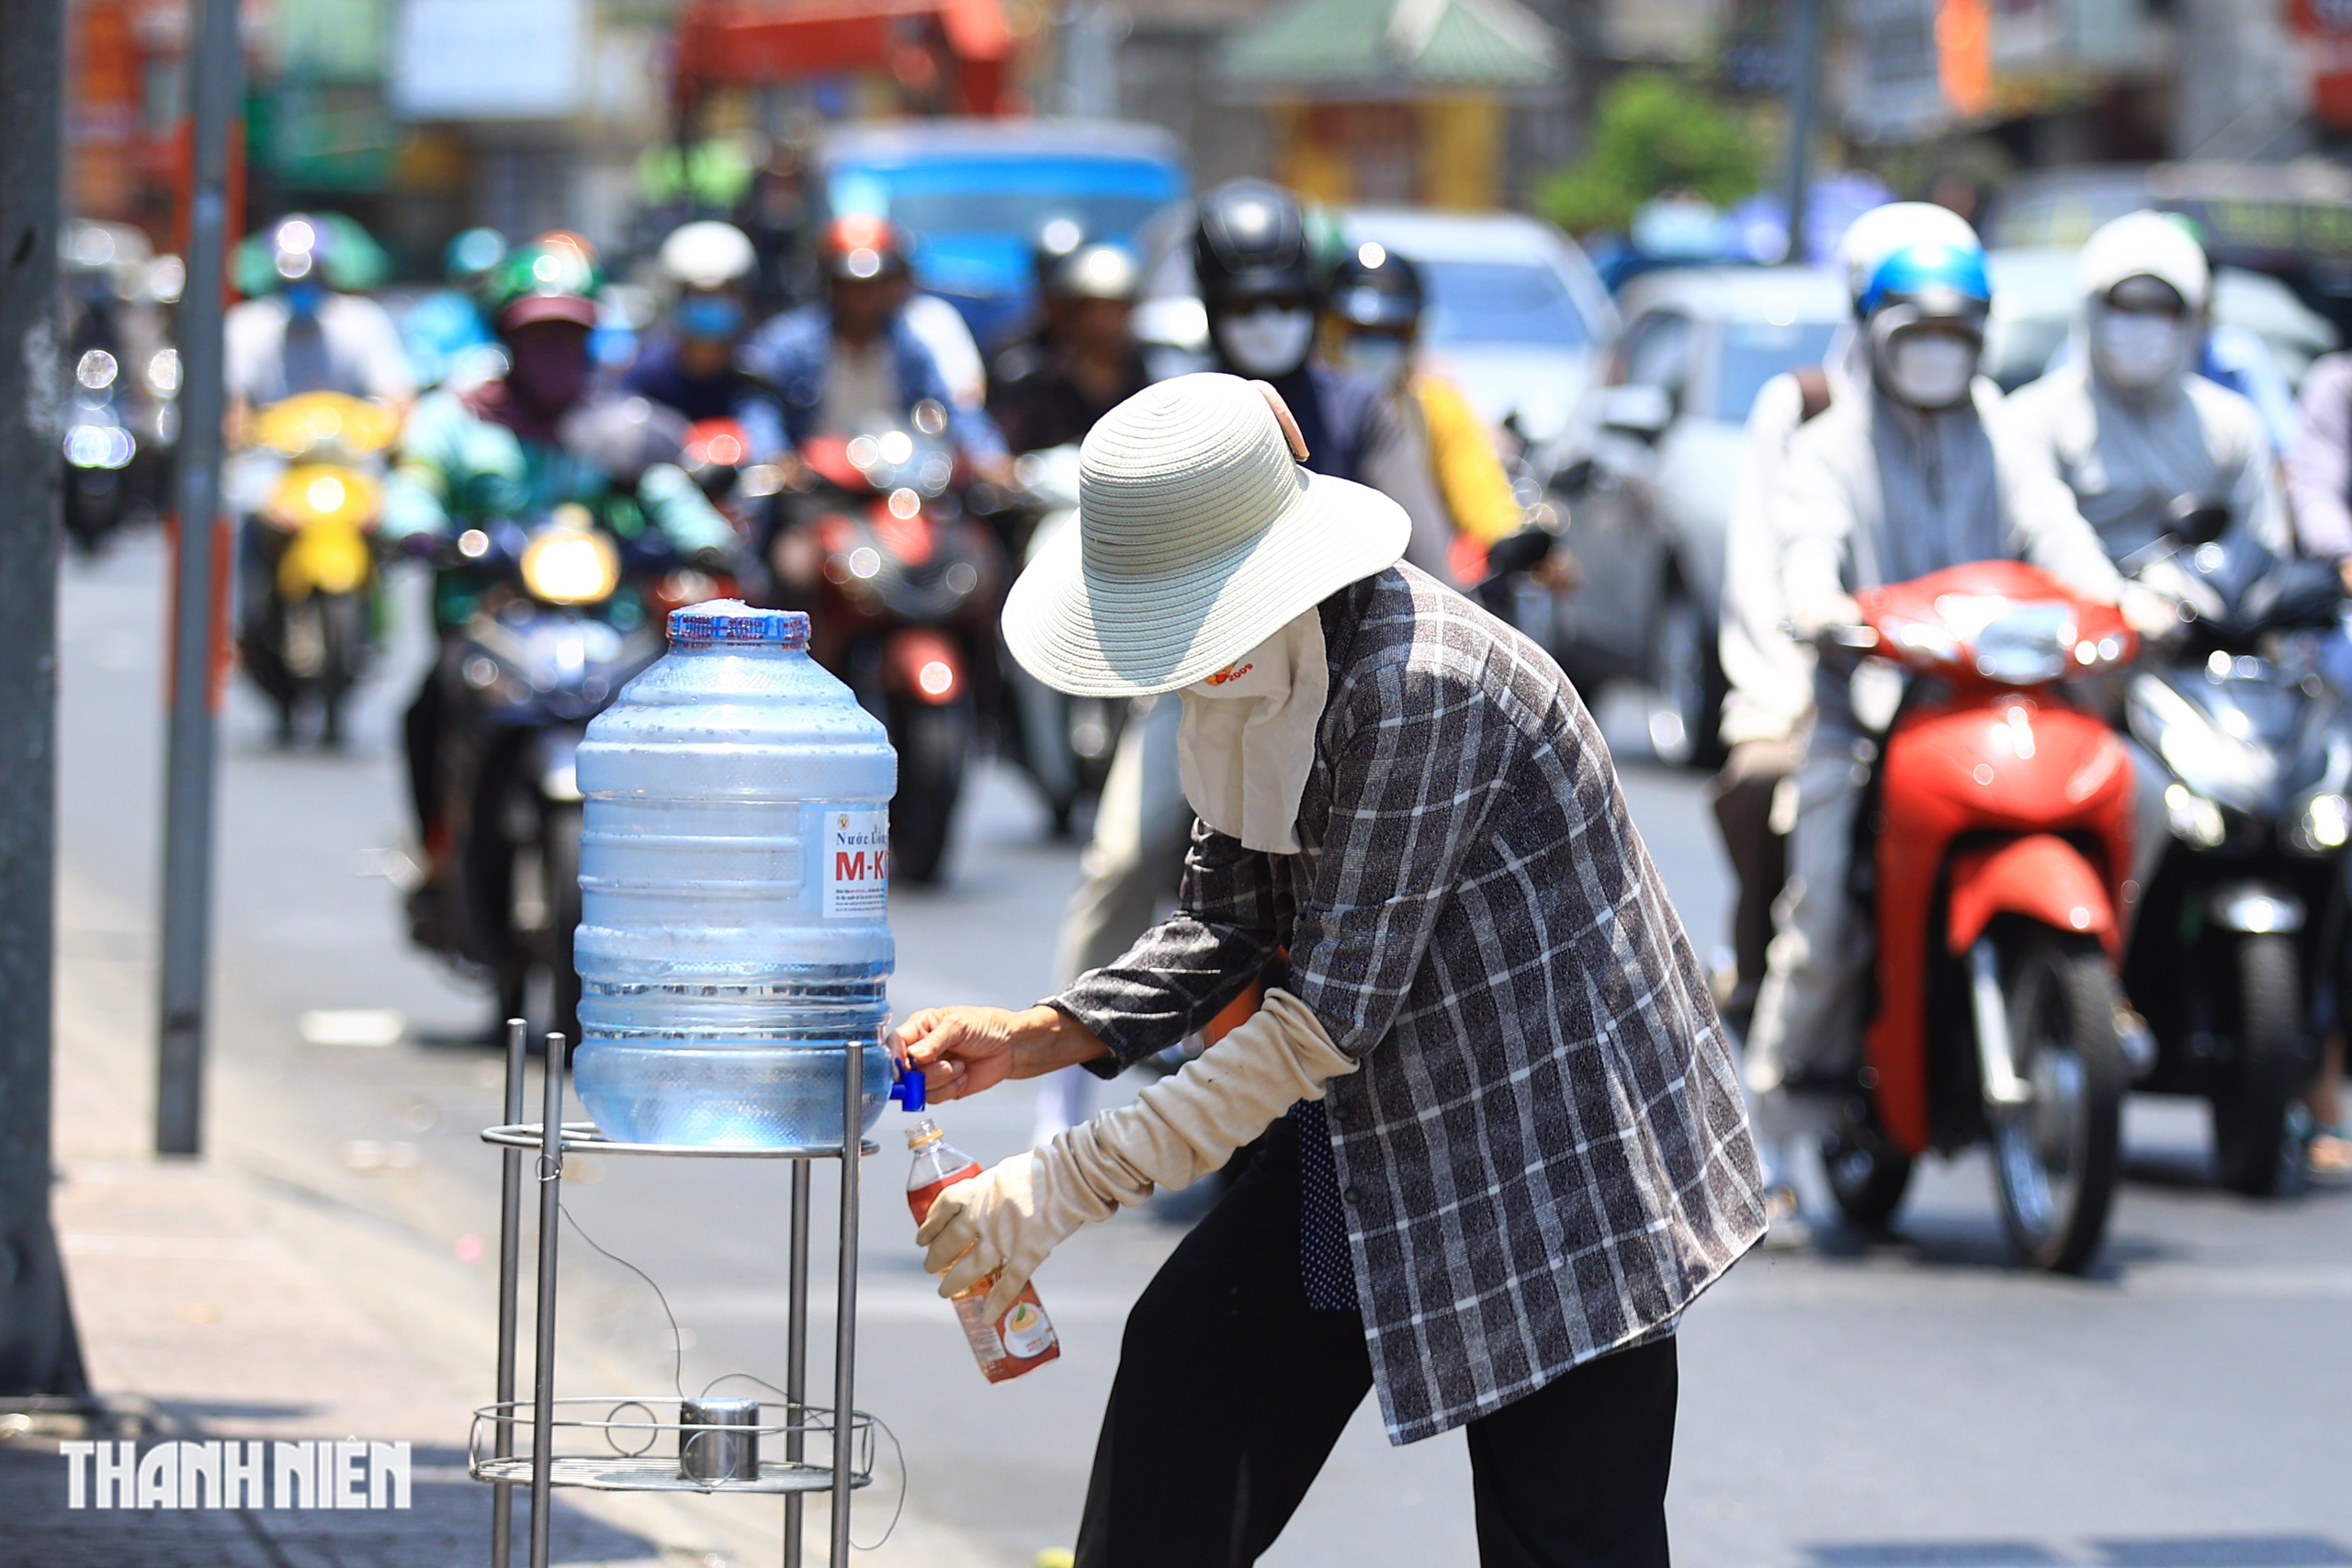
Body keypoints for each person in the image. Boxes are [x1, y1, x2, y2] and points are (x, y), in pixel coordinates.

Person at [899, 372, 1764, 1567]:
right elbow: (1225, 921)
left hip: (1558, 1144)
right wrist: (1044, 1030)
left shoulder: (1422, 684)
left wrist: (1059, 1186)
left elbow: (1322, 1020)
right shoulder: (1256, 676)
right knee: (1186, 1378)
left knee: (1568, 1528)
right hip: (1369, 1122)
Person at [1745, 232, 2167, 1239]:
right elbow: (1805, 551)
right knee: (1826, 921)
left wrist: (2119, 599)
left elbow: (2058, 535)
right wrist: (1817, 606)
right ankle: (1775, 1135)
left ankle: (2096, 995)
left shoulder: (2002, 432)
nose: (1935, 354)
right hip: (1874, 713)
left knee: (2140, 791)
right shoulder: (1827, 447)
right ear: (1873, 337)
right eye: (1913, 334)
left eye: (1954, 334)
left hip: (2001, 709)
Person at [1030, 181, 1406, 1145]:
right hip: (1200, 674)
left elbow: (1423, 547)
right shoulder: (1179, 408)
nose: (1267, 325)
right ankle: (1059, 1094)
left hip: (1338, 684)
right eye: (1245, 306)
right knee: (1128, 853)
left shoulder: (1364, 409)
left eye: (1284, 301)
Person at [382, 242, 737, 904]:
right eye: (537, 334)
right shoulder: (457, 421)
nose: (552, 352)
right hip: (488, 622)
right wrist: (420, 529)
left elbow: (672, 497)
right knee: (427, 712)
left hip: (607, 629)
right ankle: (439, 853)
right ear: (507, 337)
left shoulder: (621, 423)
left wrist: (708, 541)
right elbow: (413, 488)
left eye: (567, 335)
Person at [1712, 202, 1981, 1043]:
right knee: (1765, 780)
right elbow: (1767, 561)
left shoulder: (1990, 420)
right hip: (1826, 674)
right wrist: (1786, 680)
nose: (1935, 342)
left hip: (1959, 679)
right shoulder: (1808, 410)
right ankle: (1763, 978)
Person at [1323, 239, 1531, 591]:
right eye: (1359, 332)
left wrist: (1514, 542)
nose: (1375, 346)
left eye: (1391, 333)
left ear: (1414, 333)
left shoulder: (1435, 406)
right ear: (1326, 328)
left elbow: (1480, 495)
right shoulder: (1295, 405)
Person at [738, 214, 1008, 477]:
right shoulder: (787, 347)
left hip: (895, 490)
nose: (864, 298)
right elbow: (761, 409)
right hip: (811, 497)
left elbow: (953, 411)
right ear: (829, 284)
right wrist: (777, 461)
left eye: (876, 284)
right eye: (851, 285)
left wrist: (990, 459)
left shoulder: (910, 350)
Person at [224, 215, 414, 422]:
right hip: (269, 451)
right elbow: (234, 409)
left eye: (312, 276)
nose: (302, 287)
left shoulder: (365, 321)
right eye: (291, 279)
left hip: (351, 450)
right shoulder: (245, 325)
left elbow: (398, 398)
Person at [624, 220, 786, 457]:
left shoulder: (757, 370)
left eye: (724, 293)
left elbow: (768, 438)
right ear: (675, 297)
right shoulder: (647, 375)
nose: (712, 304)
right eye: (700, 294)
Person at [986, 242, 1152, 456]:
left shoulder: (1145, 380)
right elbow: (1010, 455)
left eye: (1114, 309)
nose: (1103, 322)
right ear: (1072, 316)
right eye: (1092, 309)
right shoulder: (1039, 381)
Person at [401, 227, 507, 391]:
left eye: (488, 278)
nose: (481, 287)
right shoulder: (434, 317)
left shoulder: (509, 312)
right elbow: (422, 374)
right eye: (473, 279)